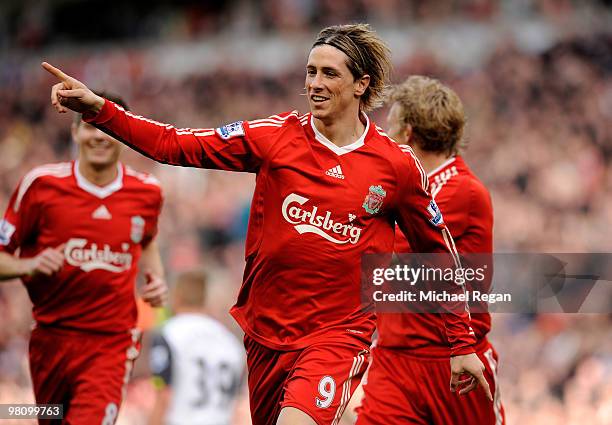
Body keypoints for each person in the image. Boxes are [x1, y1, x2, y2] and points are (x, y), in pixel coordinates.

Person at [42, 23, 489, 425]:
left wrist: (461, 342)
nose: (314, 83)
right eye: (311, 71)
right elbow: (173, 144)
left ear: (361, 85)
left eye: (330, 73)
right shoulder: (274, 137)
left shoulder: (394, 165)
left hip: (339, 335)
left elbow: (439, 250)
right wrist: (101, 108)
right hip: (266, 334)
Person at [0, 92, 168, 425]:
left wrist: (156, 279)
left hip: (112, 342)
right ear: (75, 132)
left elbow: (147, 240)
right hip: (51, 340)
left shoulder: (148, 192)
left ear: (124, 132)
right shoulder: (40, 186)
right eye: (89, 127)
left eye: (107, 127)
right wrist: (28, 265)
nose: (99, 137)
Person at [356, 76, 504, 424]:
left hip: (451, 360)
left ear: (407, 133)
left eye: (390, 128)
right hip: (395, 358)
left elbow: (387, 250)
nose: (385, 137)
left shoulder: (460, 190)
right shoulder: (412, 186)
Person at [148, 270, 245, 425]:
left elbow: (164, 395)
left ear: (176, 297)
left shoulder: (170, 333)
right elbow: (238, 406)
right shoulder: (232, 344)